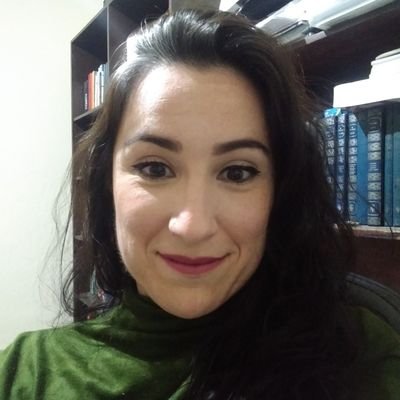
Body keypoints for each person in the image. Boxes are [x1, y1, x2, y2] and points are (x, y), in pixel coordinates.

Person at [1, 9, 399, 400]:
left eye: (237, 173)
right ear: (107, 182)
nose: (192, 226)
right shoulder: (23, 373)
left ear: (280, 192)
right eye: (155, 168)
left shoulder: (362, 356)